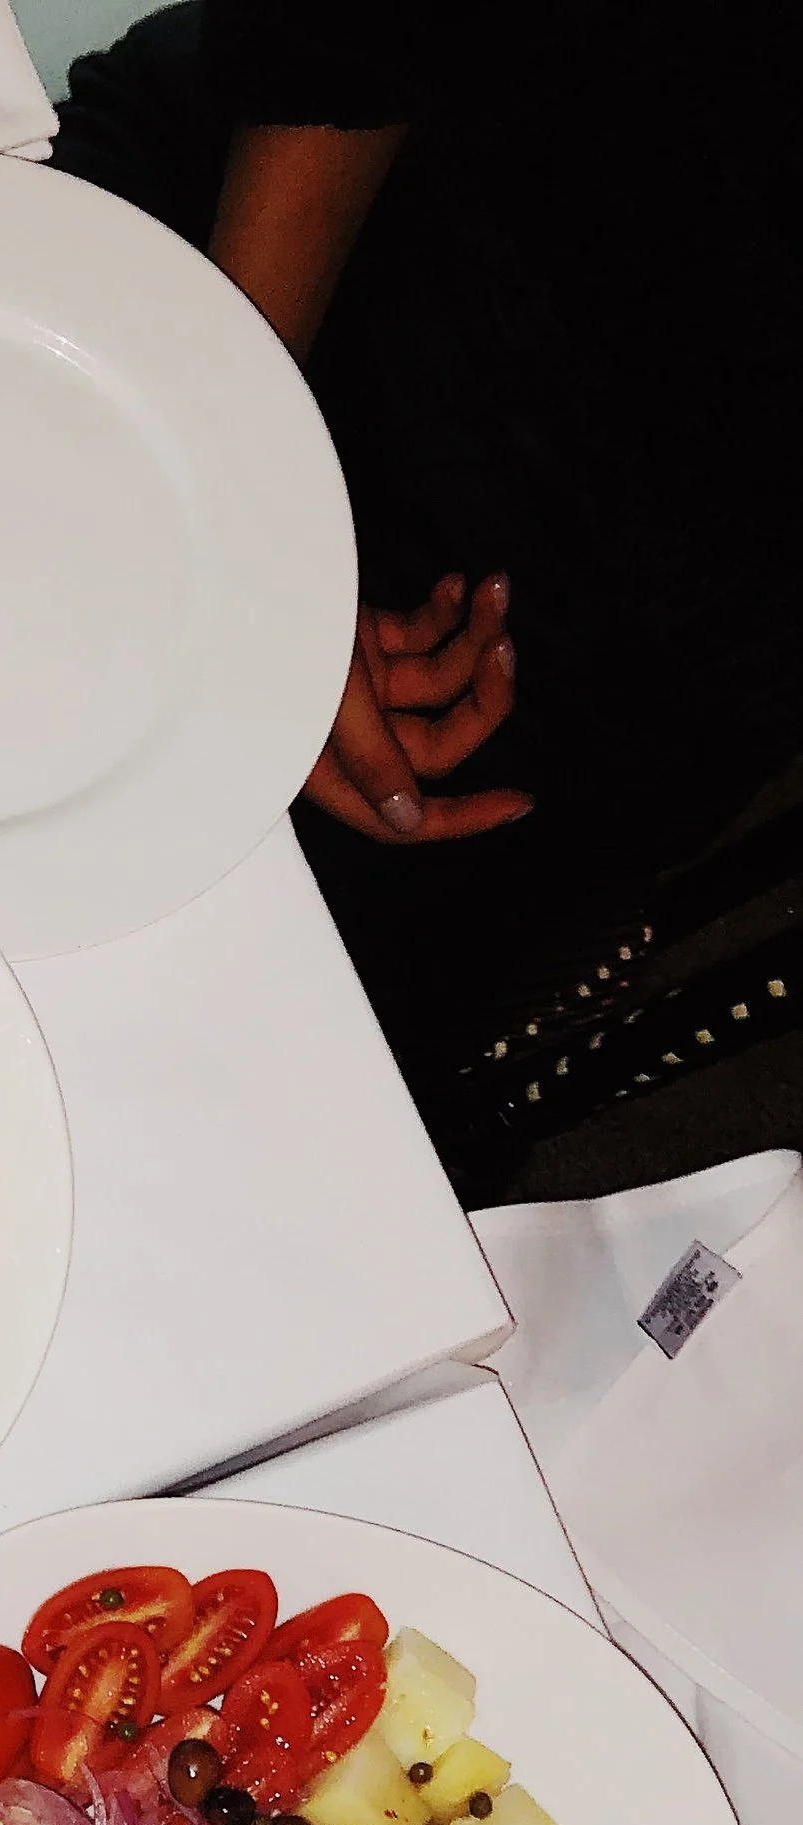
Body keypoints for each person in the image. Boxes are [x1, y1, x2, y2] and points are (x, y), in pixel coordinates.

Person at [51, 1, 803, 1200]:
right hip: (295, 224)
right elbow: (334, 46)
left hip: (641, 638)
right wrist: (243, 499)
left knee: (195, 1131)